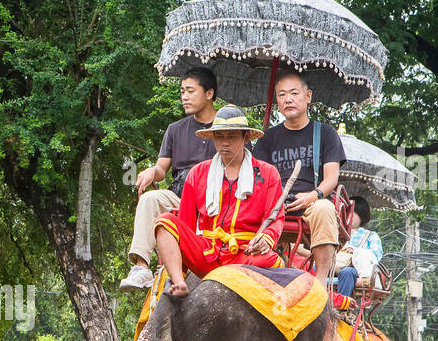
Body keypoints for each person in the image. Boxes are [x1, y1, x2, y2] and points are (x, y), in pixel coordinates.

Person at [153, 105, 284, 298]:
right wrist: (184, 260)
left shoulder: (268, 173)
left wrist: (265, 240)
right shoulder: (197, 173)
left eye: (231, 136)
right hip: (207, 253)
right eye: (219, 136)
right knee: (165, 222)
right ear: (213, 138)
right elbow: (187, 225)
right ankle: (179, 283)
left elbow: (276, 218)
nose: (225, 143)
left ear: (245, 137)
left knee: (275, 263)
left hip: (246, 254)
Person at [120, 67, 218, 291]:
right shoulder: (175, 129)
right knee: (150, 199)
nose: (184, 97)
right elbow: (162, 169)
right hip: (182, 198)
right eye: (182, 91)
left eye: (190, 91)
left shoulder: (228, 129)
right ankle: (141, 267)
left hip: (217, 203)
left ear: (209, 93)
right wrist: (151, 172)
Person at [252, 70, 346, 286]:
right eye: (282, 94)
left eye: (294, 93)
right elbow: (258, 178)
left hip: (312, 202)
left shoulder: (325, 134)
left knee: (324, 209)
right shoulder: (267, 139)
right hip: (275, 204)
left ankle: (321, 283)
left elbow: (331, 179)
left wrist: (313, 196)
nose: (288, 99)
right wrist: (272, 202)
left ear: (308, 96)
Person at [335, 196, 382, 296]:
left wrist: (356, 251)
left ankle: (341, 308)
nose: (349, 216)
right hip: (332, 265)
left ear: (362, 215)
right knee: (314, 268)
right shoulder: (336, 232)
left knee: (347, 272)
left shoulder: (370, 236)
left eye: (353, 213)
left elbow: (376, 255)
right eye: (347, 213)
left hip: (354, 270)